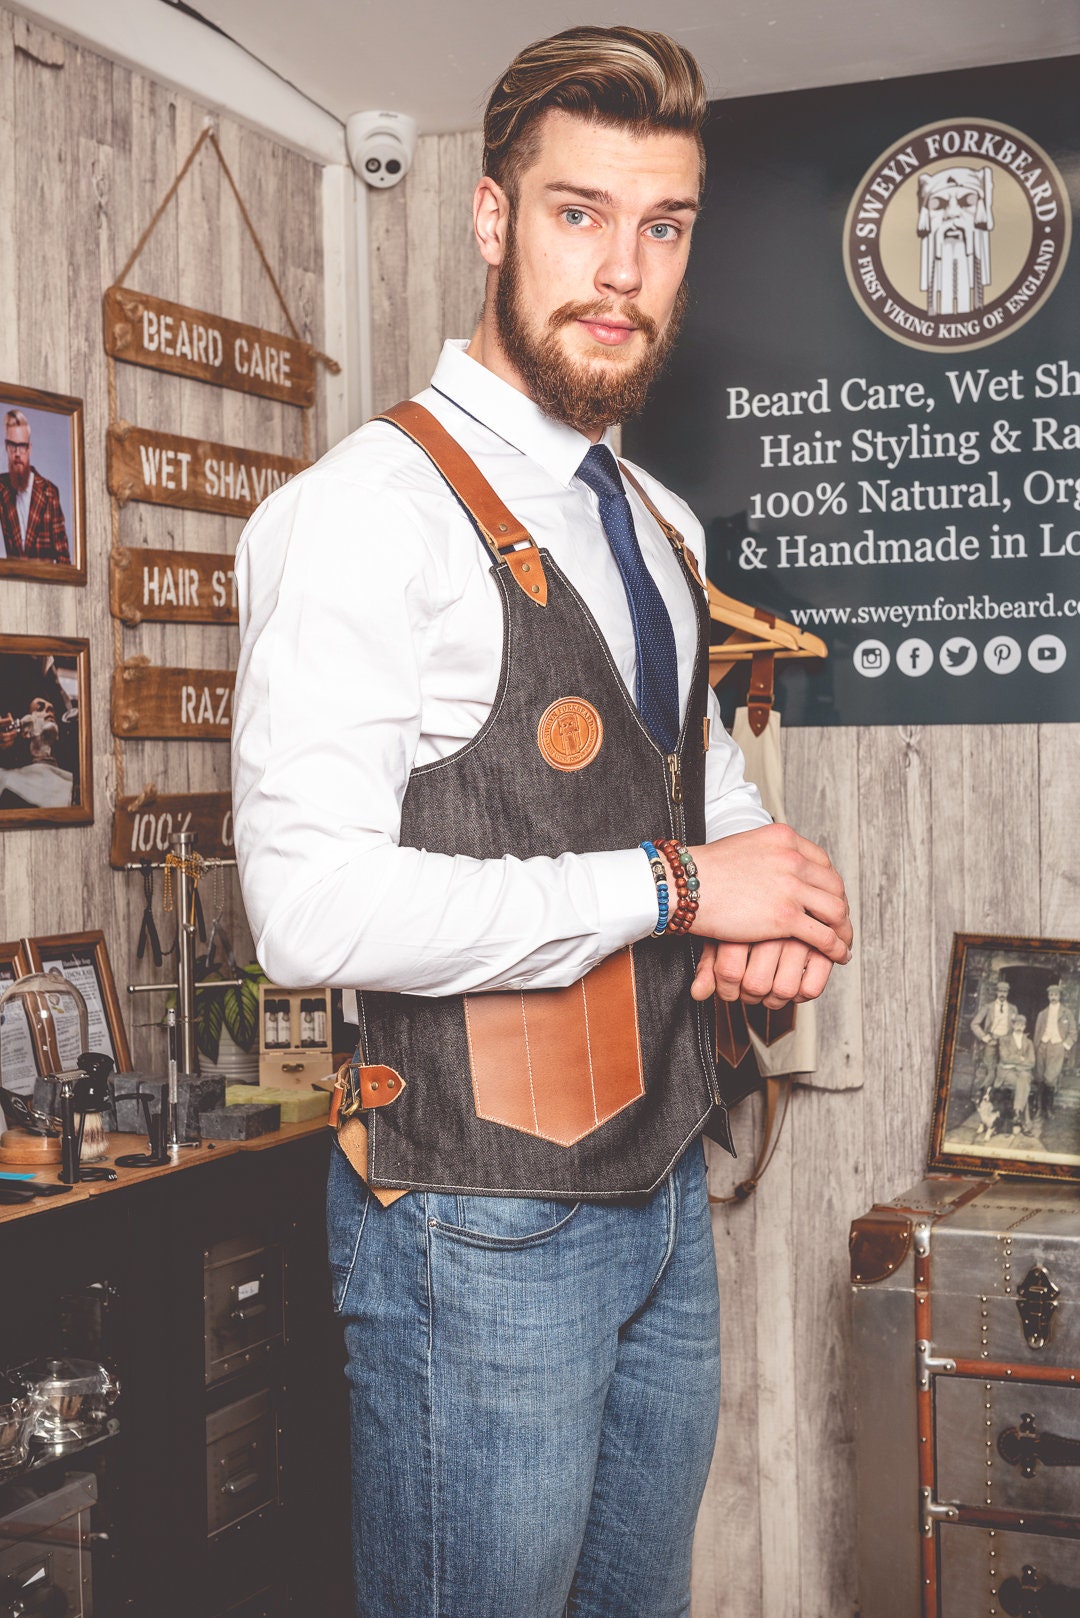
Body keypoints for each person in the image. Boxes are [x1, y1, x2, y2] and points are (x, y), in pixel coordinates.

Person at [232, 26, 852, 1618]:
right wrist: (680, 885)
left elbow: (698, 791)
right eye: (580, 214)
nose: (623, 270)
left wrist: (772, 903)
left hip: (664, 1190)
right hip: (472, 1221)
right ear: (494, 218)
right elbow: (307, 908)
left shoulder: (657, 518)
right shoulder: (365, 514)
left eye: (664, 226)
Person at [0, 409, 70, 563]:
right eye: (12, 445)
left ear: (29, 448)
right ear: (6, 446)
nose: (17, 453)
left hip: (45, 578)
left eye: (22, 446)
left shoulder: (49, 493)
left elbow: (63, 559)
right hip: (11, 577)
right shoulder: (2, 488)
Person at [0, 696, 73, 808]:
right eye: (40, 708)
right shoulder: (7, 778)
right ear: (26, 731)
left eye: (51, 710)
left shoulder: (73, 783)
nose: (49, 711)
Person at [1033, 984, 1076, 1118]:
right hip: (1043, 1046)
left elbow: (1073, 1033)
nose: (1053, 997)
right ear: (1048, 996)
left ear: (1059, 996)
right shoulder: (1042, 1014)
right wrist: (1036, 1048)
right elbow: (1037, 1033)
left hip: (1057, 1047)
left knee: (1050, 1079)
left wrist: (1065, 1047)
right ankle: (1039, 1108)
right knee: (1039, 1077)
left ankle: (1049, 1109)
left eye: (1056, 995)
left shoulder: (1067, 1013)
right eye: (1051, 995)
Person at [971, 977, 1017, 1089]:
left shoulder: (1013, 1009)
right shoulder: (988, 1007)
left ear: (1007, 993)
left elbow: (1016, 1027)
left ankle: (997, 1093)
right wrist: (984, 1037)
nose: (1002, 994)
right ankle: (984, 1093)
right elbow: (974, 1024)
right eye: (1000, 991)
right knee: (989, 1068)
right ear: (997, 992)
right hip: (991, 1041)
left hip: (1005, 1043)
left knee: (1003, 1069)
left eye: (1004, 992)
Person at [997, 1012, 1036, 1136]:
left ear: (1025, 1027)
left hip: (1022, 1072)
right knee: (1023, 1086)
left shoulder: (1029, 1042)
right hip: (1007, 1072)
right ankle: (1025, 1123)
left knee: (1023, 1081)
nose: (1019, 1027)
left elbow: (1031, 1062)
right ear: (1013, 1025)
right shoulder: (1004, 1040)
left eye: (1022, 1025)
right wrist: (1021, 1059)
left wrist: (1015, 1063)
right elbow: (1004, 1058)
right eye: (1017, 1024)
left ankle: (1017, 1113)